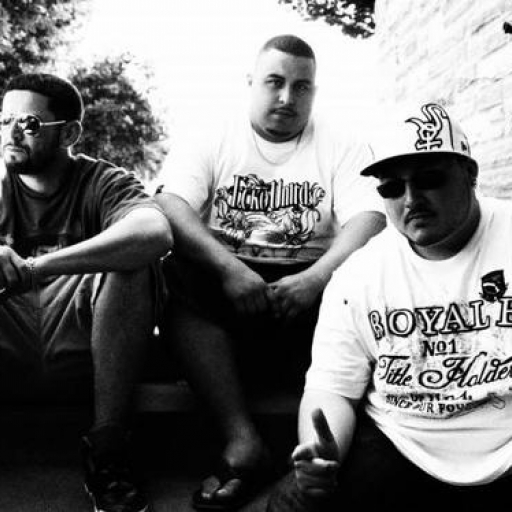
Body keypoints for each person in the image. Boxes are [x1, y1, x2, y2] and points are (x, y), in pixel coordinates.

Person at [156, 34, 385, 510]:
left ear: (314, 91)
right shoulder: (212, 133)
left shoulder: (341, 142)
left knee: (360, 279)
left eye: (302, 87)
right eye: (274, 82)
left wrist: (317, 279)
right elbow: (171, 204)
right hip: (227, 288)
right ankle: (243, 443)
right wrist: (228, 268)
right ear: (251, 83)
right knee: (176, 270)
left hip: (307, 290)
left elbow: (370, 218)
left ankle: (324, 455)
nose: (286, 97)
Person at [266, 101, 512, 512]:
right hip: (404, 447)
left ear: (470, 175)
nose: (411, 199)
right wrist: (322, 453)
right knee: (293, 503)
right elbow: (333, 388)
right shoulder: (360, 272)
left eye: (429, 179)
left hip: (506, 449)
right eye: (391, 187)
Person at [0, 73, 173, 512]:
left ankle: (108, 451)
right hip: (11, 337)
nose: (12, 133)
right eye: (4, 121)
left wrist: (38, 268)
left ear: (69, 133)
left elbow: (155, 233)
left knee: (133, 262)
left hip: (84, 339)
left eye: (29, 123)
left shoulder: (102, 181)